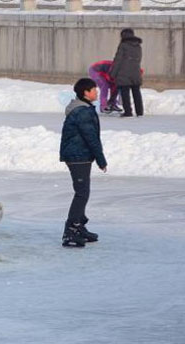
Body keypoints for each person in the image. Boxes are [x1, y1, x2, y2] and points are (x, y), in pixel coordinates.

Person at [59, 78, 107, 248]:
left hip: (80, 155)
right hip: (77, 156)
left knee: (83, 192)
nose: (97, 92)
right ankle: (70, 231)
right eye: (94, 89)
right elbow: (91, 137)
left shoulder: (83, 108)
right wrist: (101, 159)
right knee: (82, 193)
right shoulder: (82, 111)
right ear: (86, 92)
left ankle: (79, 226)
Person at [110, 28, 144, 118]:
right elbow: (139, 59)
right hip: (136, 72)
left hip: (123, 73)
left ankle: (128, 112)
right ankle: (139, 112)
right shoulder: (138, 46)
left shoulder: (123, 45)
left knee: (125, 92)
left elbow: (118, 60)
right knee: (136, 92)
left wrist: (112, 73)